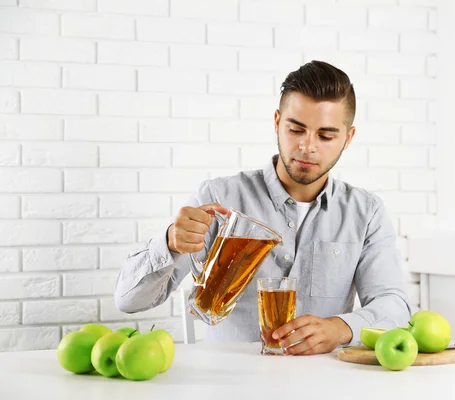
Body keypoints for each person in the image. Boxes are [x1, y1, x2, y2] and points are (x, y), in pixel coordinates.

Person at [114, 60, 412, 355]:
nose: (307, 146)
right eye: (296, 130)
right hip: (230, 384)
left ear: (348, 138)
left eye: (325, 136)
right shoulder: (220, 197)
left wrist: (340, 329)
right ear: (276, 122)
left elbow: (393, 306)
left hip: (323, 383)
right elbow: (129, 301)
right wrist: (170, 242)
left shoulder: (366, 212)